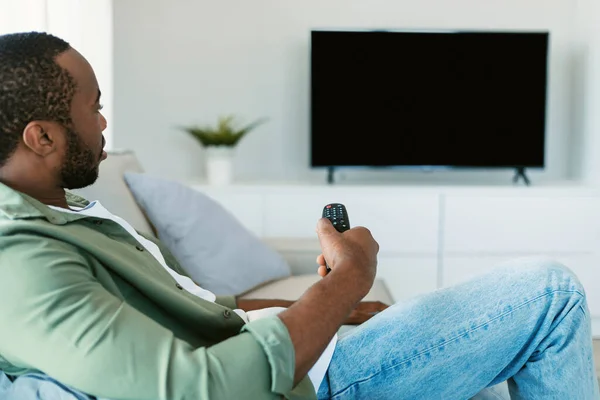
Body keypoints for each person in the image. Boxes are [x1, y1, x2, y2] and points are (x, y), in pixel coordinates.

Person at [0, 31, 597, 400]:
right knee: (551, 293)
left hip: (305, 351)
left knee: (499, 365)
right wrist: (348, 279)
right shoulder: (19, 259)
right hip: (304, 380)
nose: (104, 123)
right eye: (93, 107)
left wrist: (331, 306)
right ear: (42, 137)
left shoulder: (68, 210)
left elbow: (200, 312)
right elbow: (198, 389)